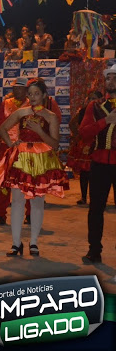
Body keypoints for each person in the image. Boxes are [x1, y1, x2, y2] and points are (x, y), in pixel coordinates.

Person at [0, 78, 68, 257]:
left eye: (37, 94)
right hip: (21, 159)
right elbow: (2, 129)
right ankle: (15, 243)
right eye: (30, 94)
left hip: (42, 161)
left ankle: (34, 242)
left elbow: (55, 143)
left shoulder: (50, 116)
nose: (33, 97)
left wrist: (39, 131)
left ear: (44, 95)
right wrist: (12, 145)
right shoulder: (21, 113)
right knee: (17, 201)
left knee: (37, 202)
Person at [79, 64, 116, 264]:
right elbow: (84, 134)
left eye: (114, 78)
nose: (110, 81)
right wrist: (105, 121)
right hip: (100, 164)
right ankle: (94, 250)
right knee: (95, 209)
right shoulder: (94, 106)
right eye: (108, 78)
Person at [0, 78, 30, 225]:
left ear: (26, 91)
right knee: (4, 181)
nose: (17, 91)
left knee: (28, 181)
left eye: (20, 88)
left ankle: (30, 214)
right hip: (7, 147)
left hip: (27, 149)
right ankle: (1, 213)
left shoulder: (32, 104)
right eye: (15, 88)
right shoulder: (6, 103)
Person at [67, 90, 102, 205]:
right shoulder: (83, 111)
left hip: (99, 144)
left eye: (95, 98)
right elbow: (72, 123)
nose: (92, 101)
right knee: (84, 172)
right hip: (85, 145)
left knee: (97, 173)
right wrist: (79, 135)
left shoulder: (103, 111)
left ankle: (95, 198)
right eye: (90, 98)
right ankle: (83, 197)